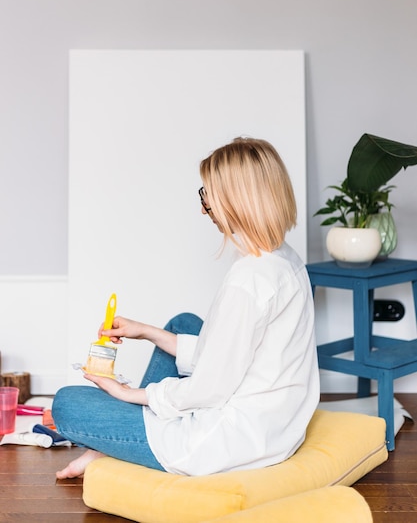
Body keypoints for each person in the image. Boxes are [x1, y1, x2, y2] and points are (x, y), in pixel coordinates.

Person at [53, 136, 319, 479]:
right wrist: (146, 332)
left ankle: (114, 446)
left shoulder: (248, 281)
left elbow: (210, 390)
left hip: (229, 441)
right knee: (183, 323)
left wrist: (133, 394)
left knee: (66, 403)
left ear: (237, 201)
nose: (204, 208)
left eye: (207, 196)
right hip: (275, 426)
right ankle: (125, 438)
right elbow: (234, 356)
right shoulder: (284, 258)